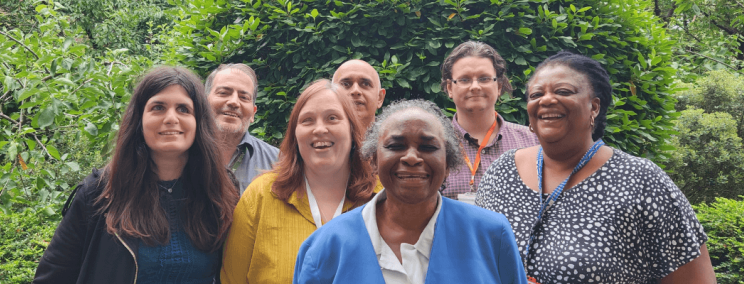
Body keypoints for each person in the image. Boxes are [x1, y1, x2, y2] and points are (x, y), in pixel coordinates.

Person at [476, 51, 717, 284]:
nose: (546, 99)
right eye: (536, 94)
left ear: (594, 107)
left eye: (563, 91)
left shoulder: (642, 181)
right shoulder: (502, 172)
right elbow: (474, 259)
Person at [33, 66, 239, 283]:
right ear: (139, 120)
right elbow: (52, 277)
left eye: (184, 109)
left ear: (199, 122)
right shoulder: (100, 193)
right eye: (158, 107)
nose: (171, 118)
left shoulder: (221, 191)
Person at [292, 99, 526, 284]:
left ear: (447, 164)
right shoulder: (324, 247)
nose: (412, 157)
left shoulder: (492, 235)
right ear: (373, 160)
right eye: (395, 146)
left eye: (428, 147)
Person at [220, 79, 382, 284]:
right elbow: (232, 279)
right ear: (295, 134)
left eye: (332, 118)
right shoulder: (261, 196)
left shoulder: (381, 200)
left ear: (351, 129)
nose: (319, 129)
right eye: (307, 120)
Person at [440, 41, 539, 203]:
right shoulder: (435, 144)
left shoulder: (532, 142)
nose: (475, 86)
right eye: (464, 80)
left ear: (499, 86)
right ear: (450, 88)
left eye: (484, 78)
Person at [204, 63, 280, 193]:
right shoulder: (179, 155)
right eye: (223, 93)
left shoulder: (278, 163)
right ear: (203, 102)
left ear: (253, 113)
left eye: (244, 97)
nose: (234, 102)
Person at [332, 59, 387, 126]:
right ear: (331, 96)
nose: (355, 90)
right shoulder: (319, 135)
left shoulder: (397, 135)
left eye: (366, 84)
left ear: (380, 98)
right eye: (345, 84)